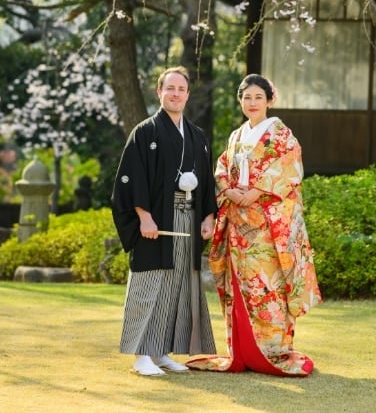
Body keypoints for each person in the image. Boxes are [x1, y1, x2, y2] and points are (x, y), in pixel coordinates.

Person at [187, 73, 321, 377]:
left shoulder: (281, 134)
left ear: (270, 100)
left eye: (258, 97)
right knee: (240, 285)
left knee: (267, 286)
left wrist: (257, 192)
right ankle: (242, 351)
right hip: (238, 220)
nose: (252, 103)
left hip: (266, 225)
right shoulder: (236, 136)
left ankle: (271, 350)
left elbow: (288, 169)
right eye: (246, 97)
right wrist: (230, 190)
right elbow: (222, 168)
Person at [111, 66, 217, 376]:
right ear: (159, 92)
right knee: (149, 284)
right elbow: (131, 178)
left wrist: (208, 215)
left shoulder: (197, 136)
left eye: (181, 89)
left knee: (179, 286)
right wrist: (143, 217)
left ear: (187, 94)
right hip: (156, 222)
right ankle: (142, 354)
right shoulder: (145, 132)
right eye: (169, 88)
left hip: (188, 219)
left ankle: (161, 352)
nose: (175, 93)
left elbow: (207, 181)